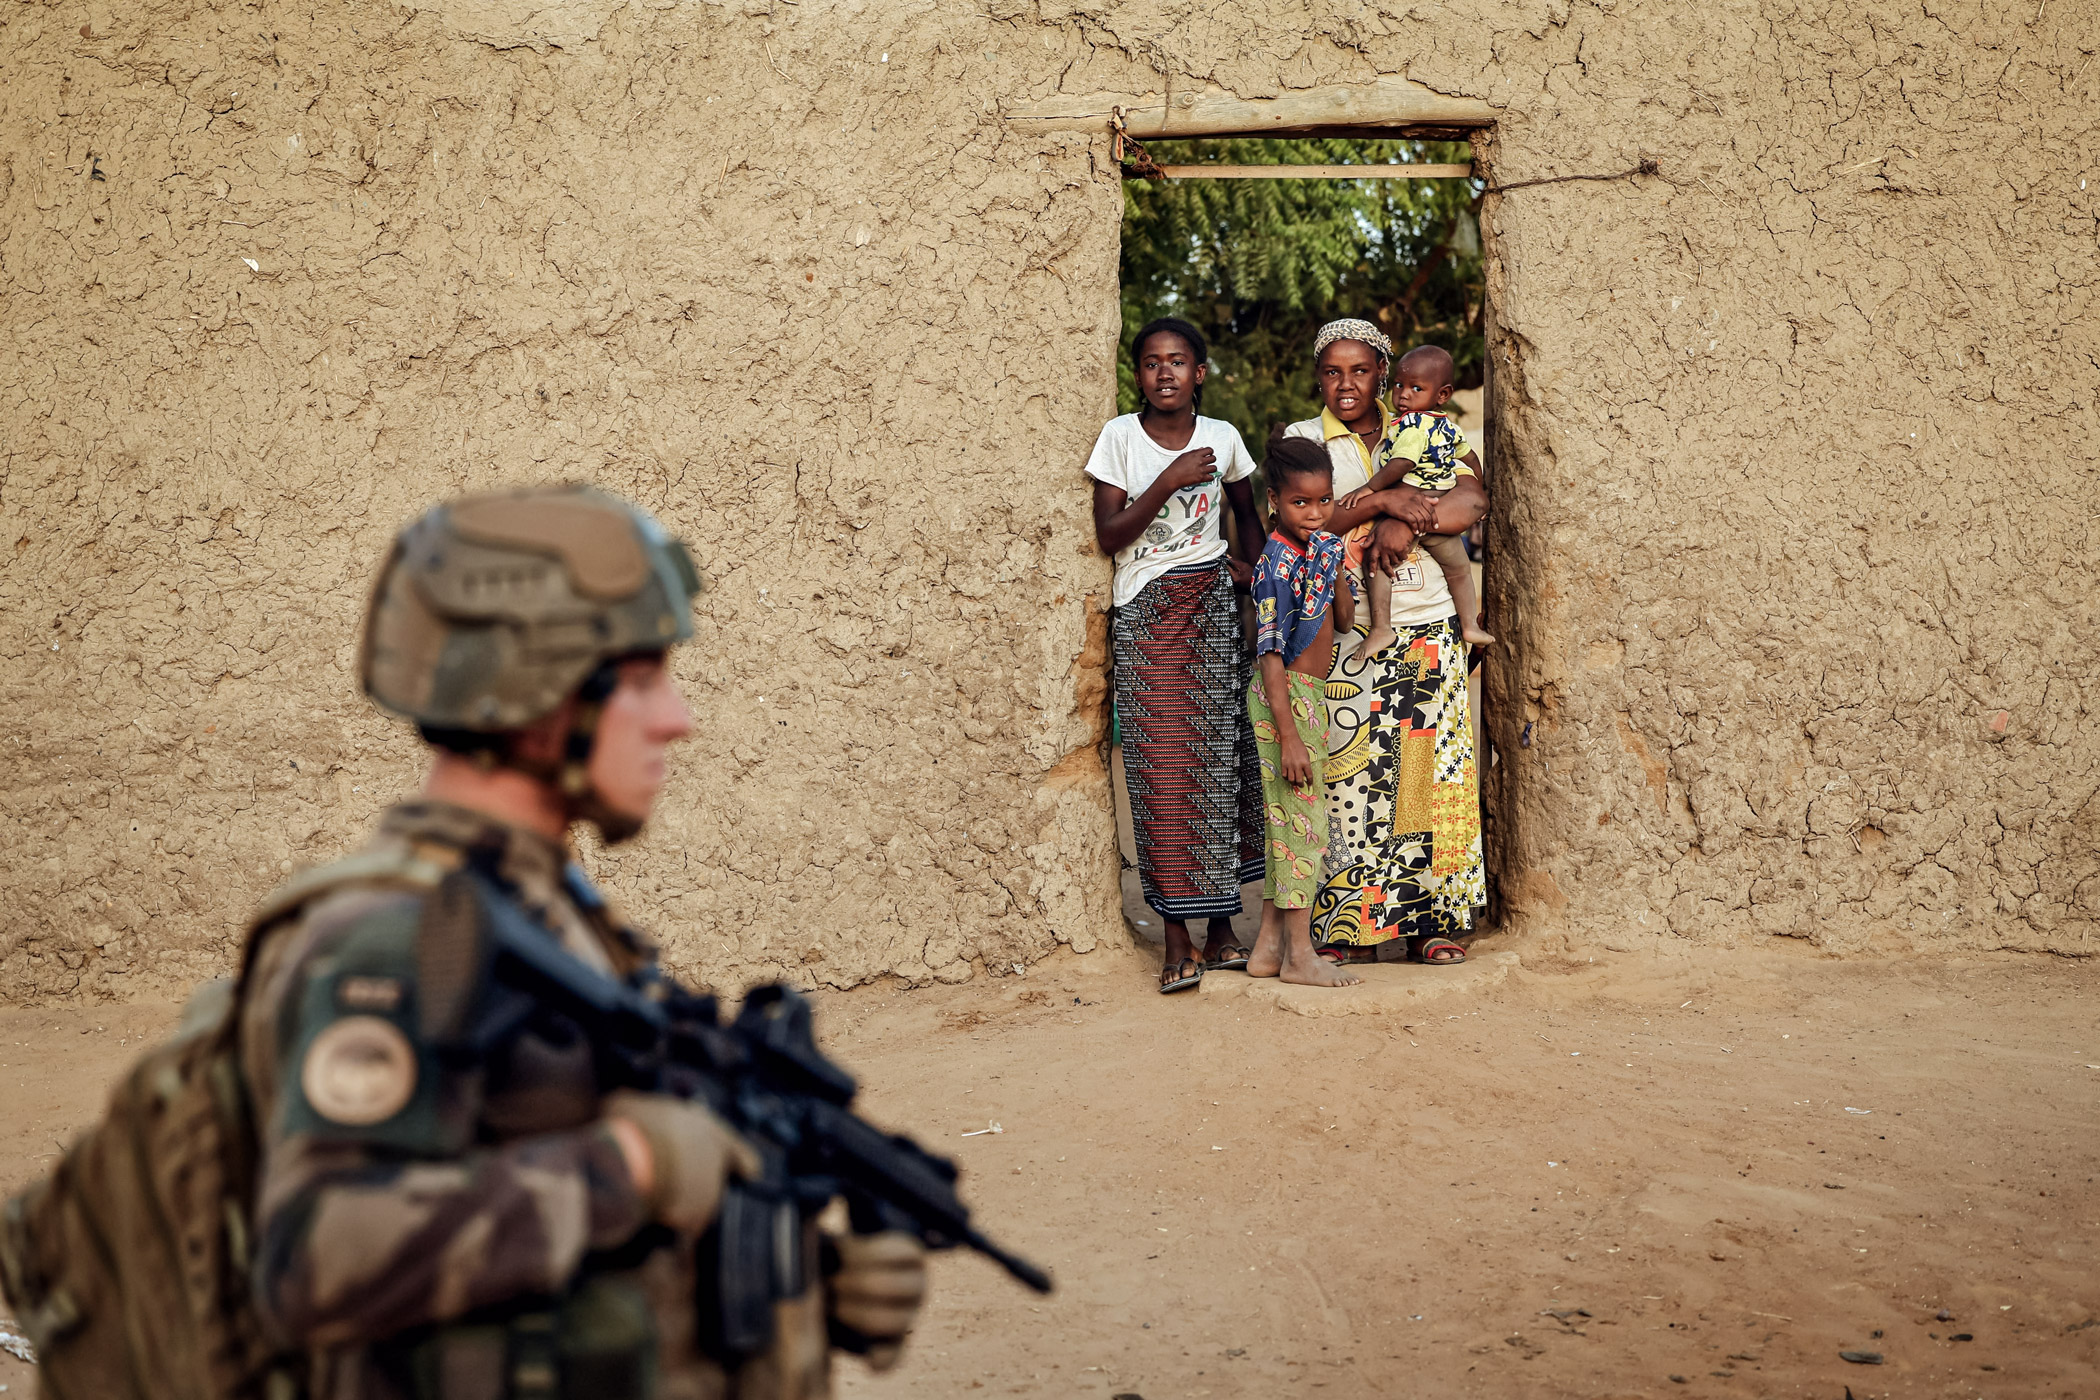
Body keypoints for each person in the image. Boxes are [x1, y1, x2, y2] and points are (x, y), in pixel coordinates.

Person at [236, 485, 928, 1398]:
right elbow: (314, 1259)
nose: (676, 717)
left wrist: (807, 1283)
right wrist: (631, 1166)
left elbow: (566, 1255)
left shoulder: (541, 901)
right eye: (641, 681)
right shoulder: (394, 939)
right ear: (537, 697)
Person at [1284, 322, 1488, 967]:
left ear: (1384, 374)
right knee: (1350, 784)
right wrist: (1393, 502)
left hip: (1426, 621)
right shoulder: (1304, 440)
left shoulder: (1426, 428)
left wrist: (1400, 517)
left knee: (1428, 778)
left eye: (1362, 372)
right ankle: (1351, 929)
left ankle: (1430, 922)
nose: (1347, 385)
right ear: (1318, 379)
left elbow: (1472, 498)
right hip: (1343, 631)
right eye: (1332, 373)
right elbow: (1294, 515)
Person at [1087, 317, 1268, 994]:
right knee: (1163, 773)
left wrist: (1254, 570)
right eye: (1152, 362)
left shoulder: (1222, 438)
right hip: (1148, 617)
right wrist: (1166, 481)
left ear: (1201, 373)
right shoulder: (1119, 439)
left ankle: (1221, 930)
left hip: (1215, 611)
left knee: (1221, 767)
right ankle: (1174, 937)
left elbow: (1245, 513)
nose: (1165, 372)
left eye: (1179, 361)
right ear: (1138, 375)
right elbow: (1110, 536)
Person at [1244, 438, 1360, 989]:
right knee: (1304, 829)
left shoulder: (1320, 550)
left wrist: (1335, 564)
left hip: (1309, 696)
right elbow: (1268, 654)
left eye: (1324, 502)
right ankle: (1298, 955)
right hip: (1283, 701)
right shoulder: (1273, 563)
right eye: (1300, 504)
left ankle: (1267, 950)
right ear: (1275, 500)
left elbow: (1341, 622)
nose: (1315, 514)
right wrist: (1289, 735)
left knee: (1289, 824)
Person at [1336, 344, 1494, 652]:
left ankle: (1381, 628)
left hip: (1407, 504)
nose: (1404, 394)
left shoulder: (1411, 425)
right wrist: (1482, 483)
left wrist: (1371, 488)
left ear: (1443, 394)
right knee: (1459, 569)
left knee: (1376, 560)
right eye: (1399, 385)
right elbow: (1471, 458)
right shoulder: (1447, 426)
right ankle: (1470, 625)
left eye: (1416, 388)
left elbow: (1402, 464)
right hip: (1438, 506)